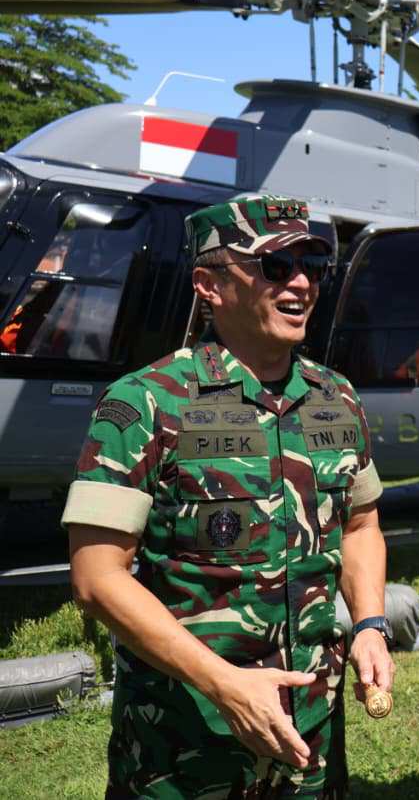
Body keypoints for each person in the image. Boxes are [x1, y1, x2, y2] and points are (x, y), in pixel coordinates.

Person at [62, 195, 393, 798]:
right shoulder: (145, 403)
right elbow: (96, 577)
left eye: (312, 266)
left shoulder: (336, 398)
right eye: (275, 266)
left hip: (312, 737)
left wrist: (369, 623)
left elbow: (361, 525)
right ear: (208, 285)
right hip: (185, 749)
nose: (301, 283)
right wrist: (224, 684)